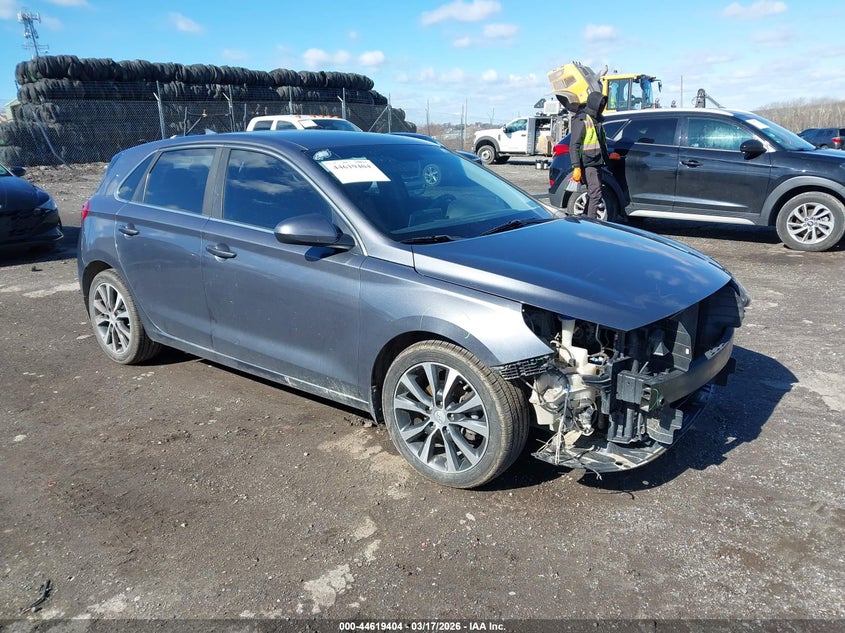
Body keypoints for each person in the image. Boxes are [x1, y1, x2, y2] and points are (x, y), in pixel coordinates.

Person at [569, 90, 615, 220]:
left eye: (603, 104)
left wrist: (608, 156)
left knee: (592, 192)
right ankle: (591, 223)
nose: (602, 106)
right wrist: (576, 166)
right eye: (600, 103)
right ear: (594, 104)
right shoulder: (582, 119)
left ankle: (584, 218)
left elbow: (600, 142)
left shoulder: (597, 120)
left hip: (596, 162)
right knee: (596, 193)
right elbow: (574, 145)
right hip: (587, 163)